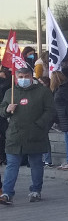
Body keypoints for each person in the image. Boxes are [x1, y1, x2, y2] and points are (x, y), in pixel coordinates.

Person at [0, 67, 56, 205]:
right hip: (15, 135)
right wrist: (7, 109)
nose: (23, 79)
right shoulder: (10, 92)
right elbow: (2, 110)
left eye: (26, 76)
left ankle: (36, 190)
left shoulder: (43, 92)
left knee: (36, 164)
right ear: (16, 78)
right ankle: (7, 193)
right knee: (12, 165)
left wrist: (39, 124)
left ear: (31, 77)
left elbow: (50, 111)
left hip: (35, 134)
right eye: (20, 77)